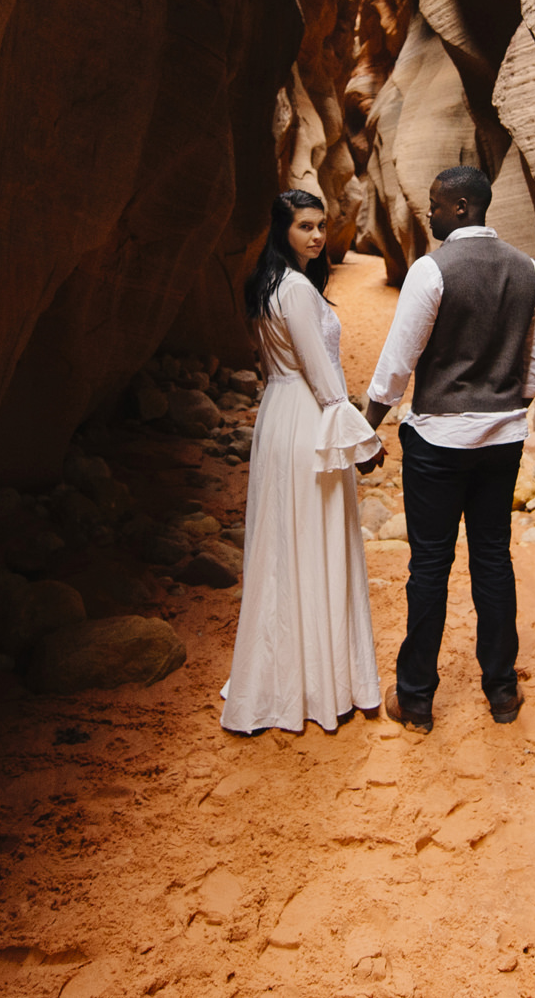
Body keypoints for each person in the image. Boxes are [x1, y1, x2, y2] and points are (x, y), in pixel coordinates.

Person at [364, 166, 535, 730]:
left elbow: (399, 361)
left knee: (430, 566)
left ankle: (417, 699)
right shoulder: (532, 274)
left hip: (438, 443)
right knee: (493, 559)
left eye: (436, 205)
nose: (430, 214)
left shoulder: (432, 271)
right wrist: (503, 401)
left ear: (463, 206)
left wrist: (369, 420)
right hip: (503, 442)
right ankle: (501, 691)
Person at [219, 189, 386, 734]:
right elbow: (323, 376)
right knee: (312, 540)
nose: (316, 236)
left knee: (282, 543)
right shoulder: (293, 288)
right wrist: (361, 442)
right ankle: (318, 685)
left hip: (279, 413)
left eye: (321, 226)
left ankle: (288, 674)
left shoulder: (271, 283)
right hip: (308, 418)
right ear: (281, 230)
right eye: (304, 227)